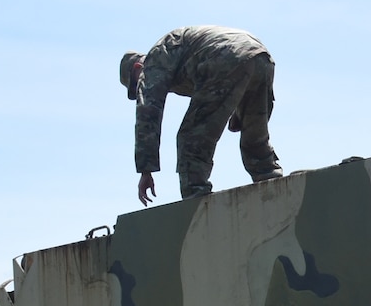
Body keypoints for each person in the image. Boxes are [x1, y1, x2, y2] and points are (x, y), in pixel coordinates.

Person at [119, 26, 283, 204]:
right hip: (259, 56)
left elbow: (148, 112)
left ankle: (196, 202)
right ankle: (274, 186)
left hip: (224, 57)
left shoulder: (154, 61)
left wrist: (146, 170)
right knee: (254, 136)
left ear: (137, 67)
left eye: (136, 85)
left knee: (191, 139)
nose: (139, 89)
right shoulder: (176, 50)